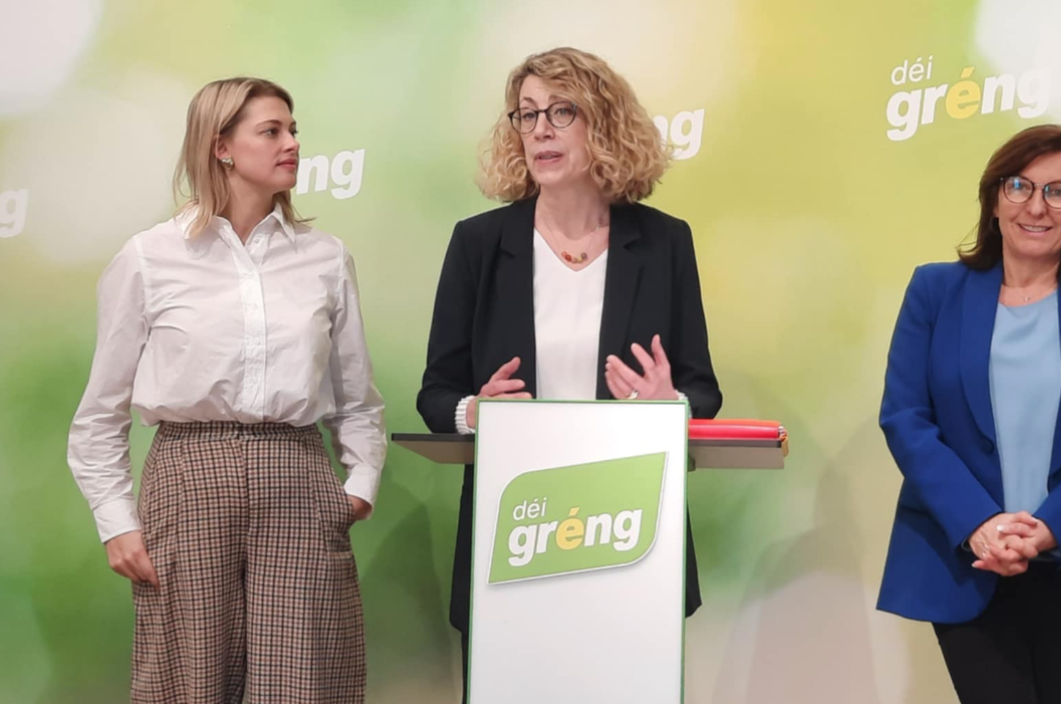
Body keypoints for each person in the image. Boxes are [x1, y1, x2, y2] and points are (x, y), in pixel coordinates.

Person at [67, 77, 385, 704]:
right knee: (187, 685)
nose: (292, 144)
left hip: (297, 477)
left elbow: (358, 401)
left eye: (294, 130)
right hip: (187, 476)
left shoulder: (324, 258)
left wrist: (356, 488)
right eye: (272, 131)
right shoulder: (149, 257)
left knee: (306, 685)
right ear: (222, 147)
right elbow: (100, 414)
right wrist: (116, 523)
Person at [416, 46, 721, 699]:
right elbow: (436, 392)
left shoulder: (665, 242)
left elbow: (702, 389)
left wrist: (672, 404)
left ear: (604, 125)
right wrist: (476, 411)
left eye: (561, 111)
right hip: (514, 538)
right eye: (526, 116)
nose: (540, 130)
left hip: (629, 536)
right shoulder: (479, 244)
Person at [877, 123, 1061, 704]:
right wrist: (981, 526)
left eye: (1059, 191)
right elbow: (906, 418)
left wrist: (1048, 530)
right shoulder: (934, 292)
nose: (1037, 206)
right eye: (1019, 186)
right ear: (994, 199)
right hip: (967, 558)